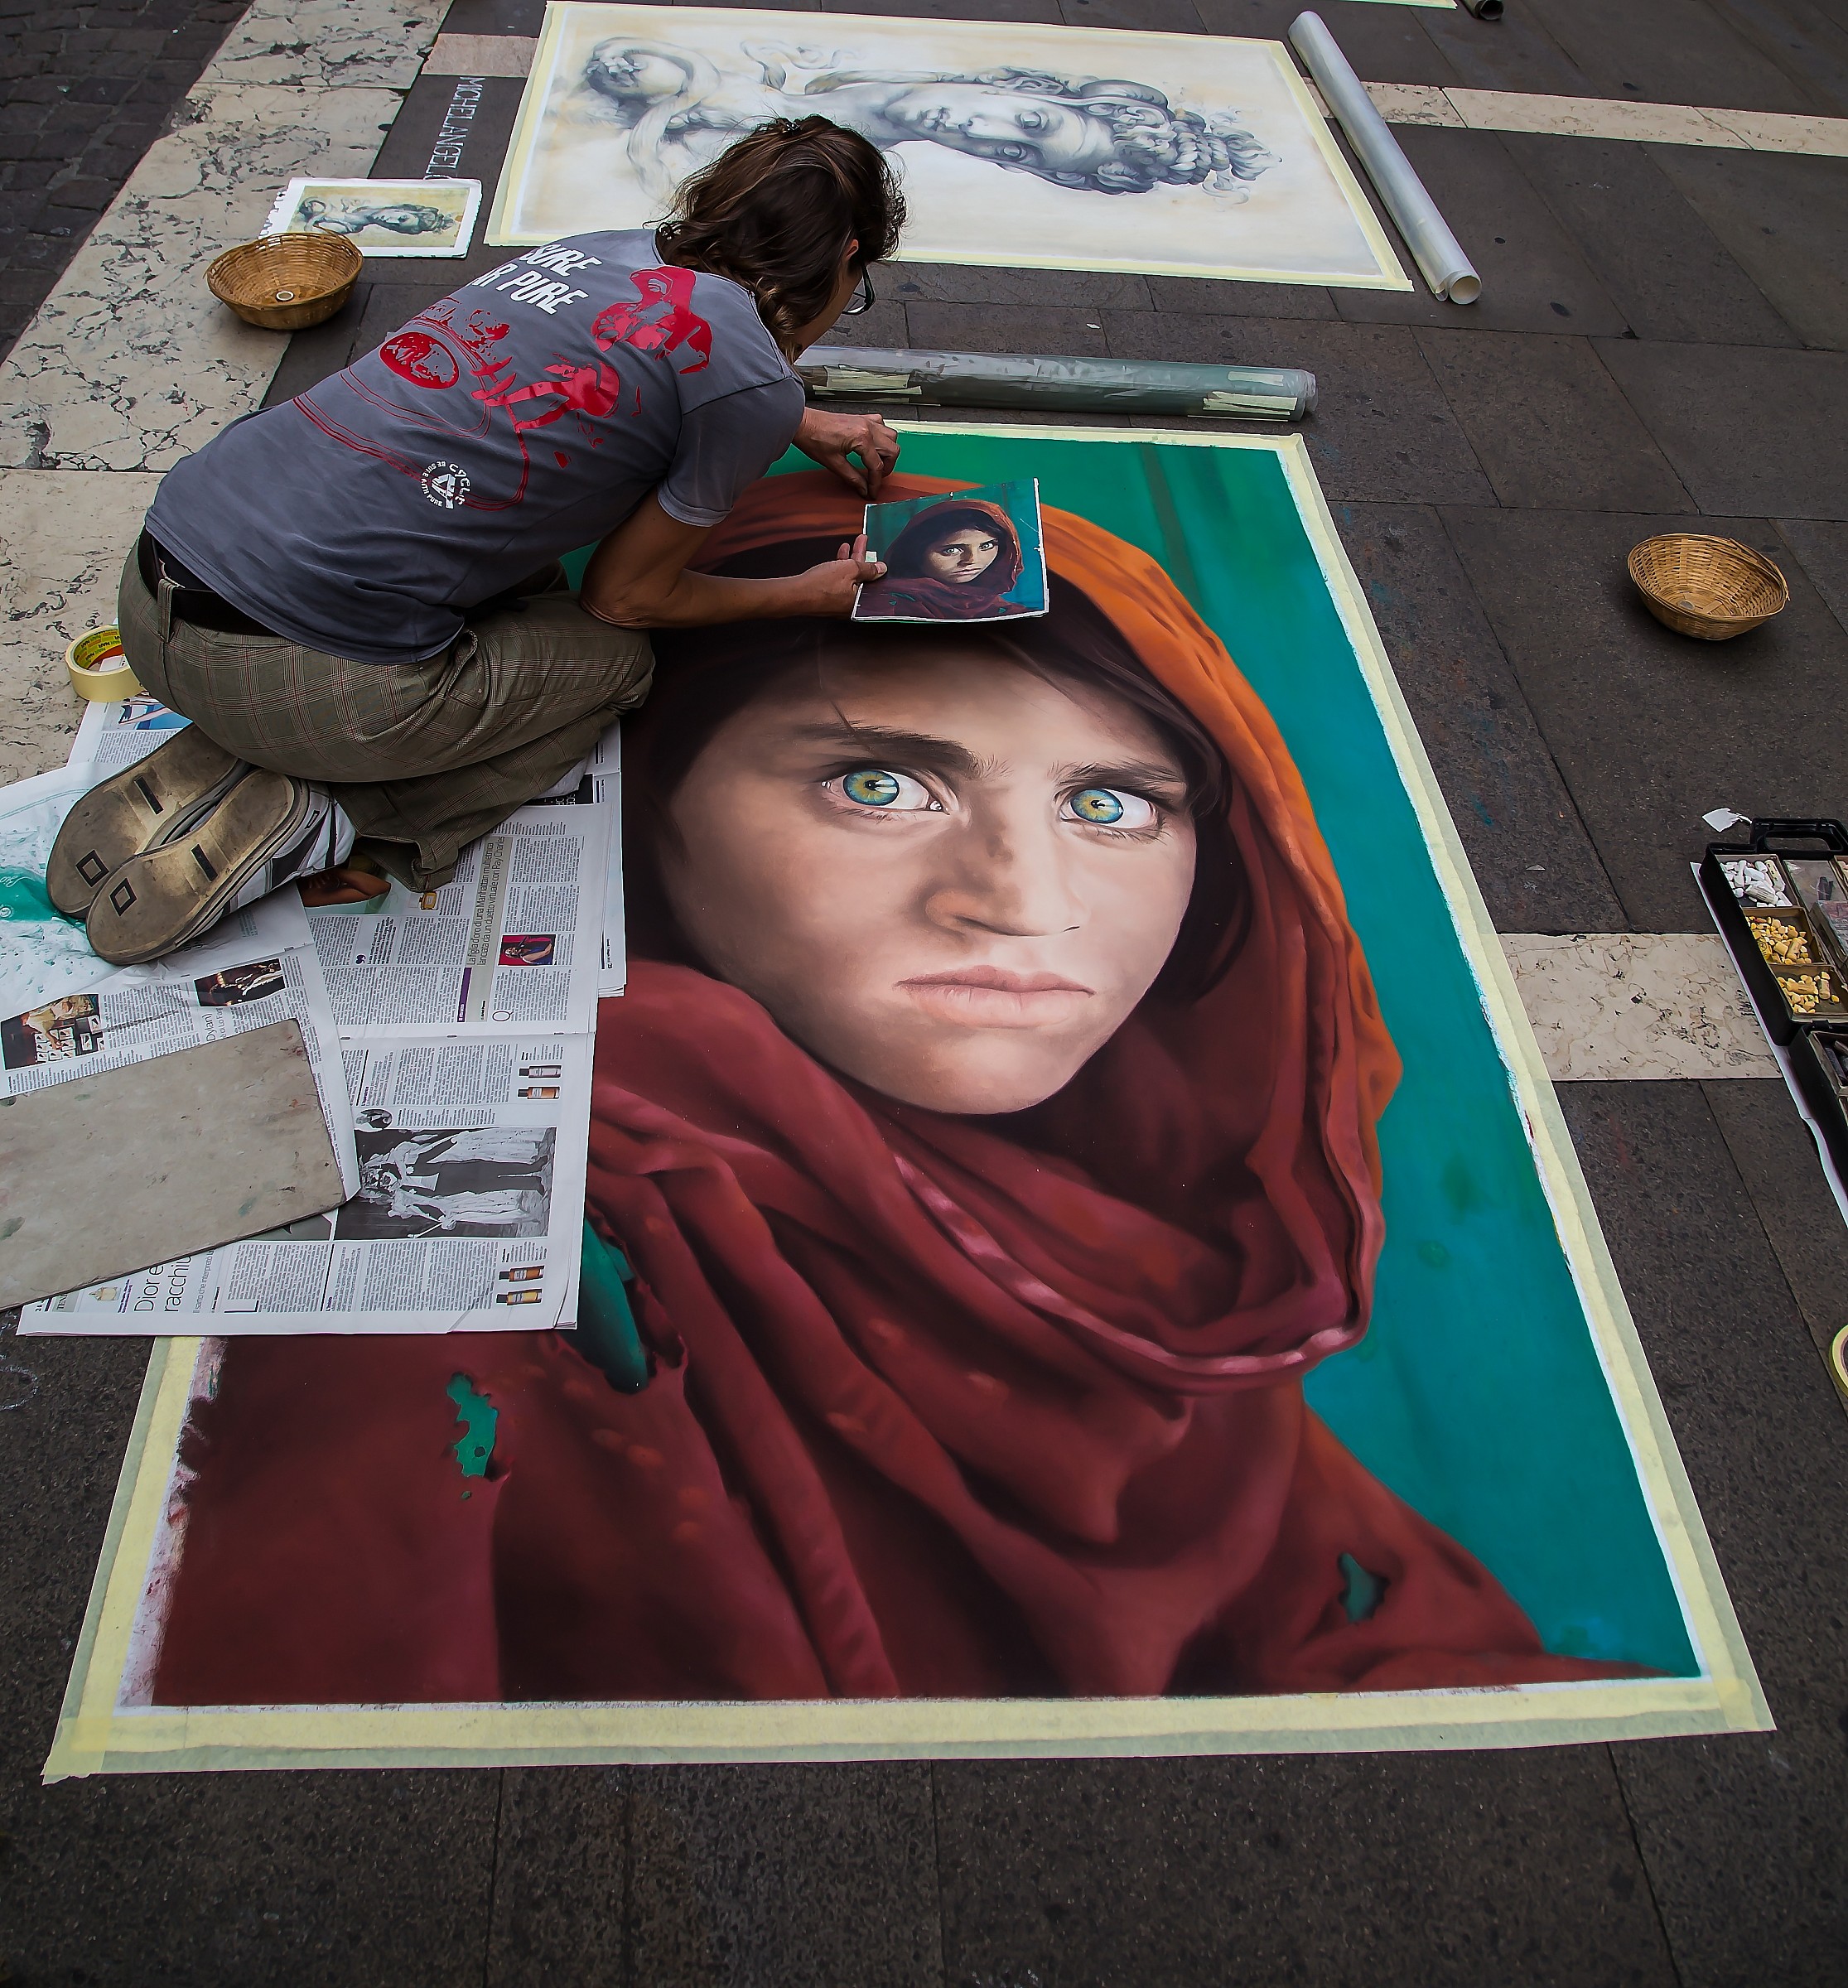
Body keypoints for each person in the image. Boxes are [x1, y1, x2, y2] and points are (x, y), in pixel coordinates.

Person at [144, 476, 1634, 1708]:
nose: (1018, 903)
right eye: (878, 784)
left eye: (1112, 806)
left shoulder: (1146, 1267)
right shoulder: (474, 1278)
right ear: (648, 812)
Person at [47, 117, 906, 967]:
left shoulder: (603, 251)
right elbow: (624, 597)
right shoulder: (748, 382)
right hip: (290, 678)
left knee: (517, 573)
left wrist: (796, 416)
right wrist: (806, 590)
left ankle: (228, 753)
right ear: (844, 257)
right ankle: (339, 816)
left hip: (155, 587)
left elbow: (648, 350)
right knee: (617, 663)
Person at [579, 43, 1276, 203]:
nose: (979, 135)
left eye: (1013, 152)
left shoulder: (779, 151)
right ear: (1027, 88)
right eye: (1029, 121)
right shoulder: (820, 64)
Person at [857, 495, 1031, 621]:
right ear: (915, 553)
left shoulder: (1006, 611)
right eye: (952, 550)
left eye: (986, 546)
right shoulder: (885, 605)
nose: (972, 560)